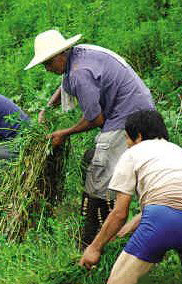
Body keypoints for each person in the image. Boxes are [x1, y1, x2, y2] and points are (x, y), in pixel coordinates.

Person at [24, 29, 156, 249]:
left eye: (48, 64)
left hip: (127, 117)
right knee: (94, 160)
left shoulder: (78, 73)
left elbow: (96, 119)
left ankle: (92, 242)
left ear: (60, 55)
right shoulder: (81, 55)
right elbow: (65, 84)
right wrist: (47, 108)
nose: (47, 70)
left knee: (98, 178)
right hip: (142, 109)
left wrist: (63, 134)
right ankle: (102, 234)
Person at [79, 110, 182, 284]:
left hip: (163, 223)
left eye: (126, 137)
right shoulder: (179, 152)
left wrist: (94, 248)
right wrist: (128, 229)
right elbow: (173, 200)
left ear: (138, 136)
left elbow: (119, 212)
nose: (126, 143)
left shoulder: (133, 154)